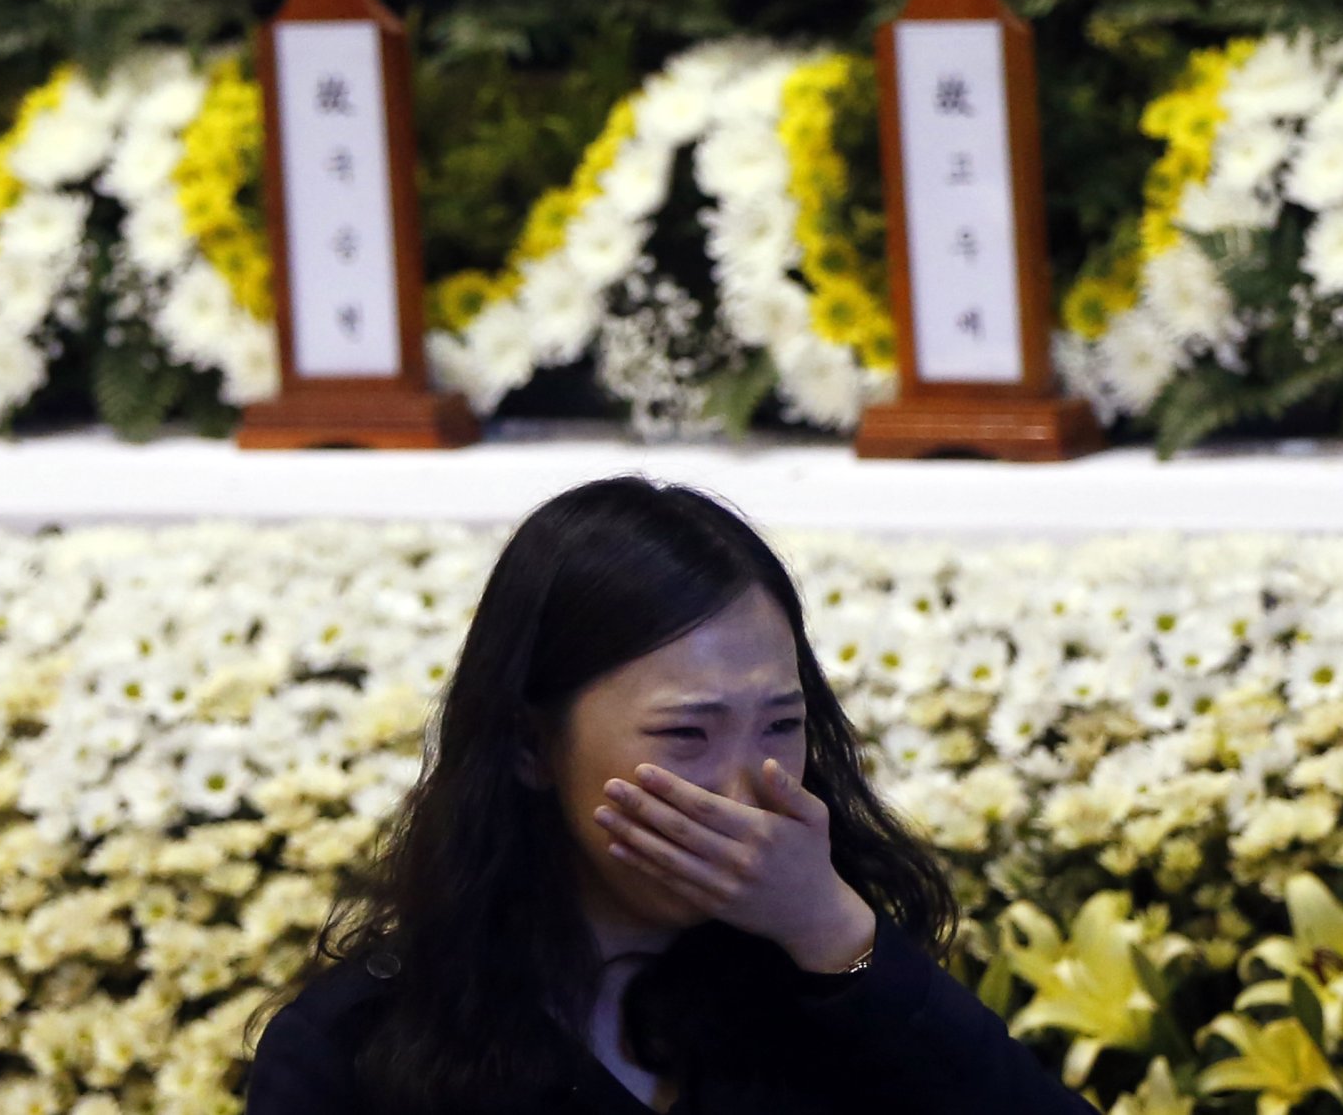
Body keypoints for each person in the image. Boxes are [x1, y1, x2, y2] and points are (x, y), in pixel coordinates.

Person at [242, 477, 1094, 1115]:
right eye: (686, 736)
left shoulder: (830, 978)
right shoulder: (359, 1048)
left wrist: (833, 932)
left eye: (780, 725)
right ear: (532, 744)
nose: (748, 787)